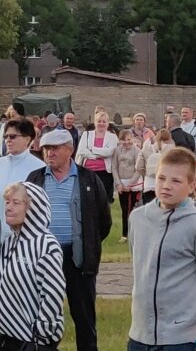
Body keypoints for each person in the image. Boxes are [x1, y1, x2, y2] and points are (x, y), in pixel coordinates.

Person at [127, 147, 196, 350]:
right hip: (140, 331)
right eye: (161, 178)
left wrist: (184, 297)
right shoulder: (138, 218)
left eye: (176, 181)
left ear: (191, 186)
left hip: (179, 337)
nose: (166, 186)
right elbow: (137, 260)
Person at [27, 129, 112, 351]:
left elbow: (103, 221)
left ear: (69, 150)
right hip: (43, 259)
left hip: (77, 257)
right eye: (46, 149)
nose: (49, 154)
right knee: (41, 316)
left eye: (54, 149)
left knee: (84, 317)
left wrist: (88, 244)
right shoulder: (35, 178)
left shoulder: (89, 178)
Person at [0, 181, 66, 350]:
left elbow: (53, 292)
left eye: (16, 203)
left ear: (33, 208)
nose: (8, 207)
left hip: (32, 340)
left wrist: (42, 335)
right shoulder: (9, 243)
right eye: (7, 202)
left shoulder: (46, 244)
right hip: (7, 337)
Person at [0, 119, 45, 243]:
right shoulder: (1, 164)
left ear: (27, 139)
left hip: (25, 238)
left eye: (13, 136)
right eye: (6, 136)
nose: (8, 140)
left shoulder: (39, 167)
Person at [76, 111, 119, 204]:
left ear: (108, 123)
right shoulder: (86, 135)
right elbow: (82, 151)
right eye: (99, 121)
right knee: (89, 198)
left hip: (105, 172)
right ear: (95, 122)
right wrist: (97, 156)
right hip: (88, 171)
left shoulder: (112, 137)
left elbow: (110, 152)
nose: (101, 123)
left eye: (104, 121)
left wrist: (92, 149)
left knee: (103, 200)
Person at [112, 130, 142, 243]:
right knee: (124, 209)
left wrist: (130, 184)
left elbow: (139, 169)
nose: (126, 142)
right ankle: (124, 234)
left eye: (129, 139)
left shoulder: (137, 151)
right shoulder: (117, 150)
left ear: (132, 139)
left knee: (132, 209)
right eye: (123, 140)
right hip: (121, 183)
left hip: (133, 184)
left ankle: (133, 233)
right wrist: (118, 183)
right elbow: (114, 167)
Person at [134, 128, 175, 205]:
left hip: (149, 184)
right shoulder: (172, 150)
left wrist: (146, 173)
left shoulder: (146, 148)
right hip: (165, 184)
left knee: (149, 211)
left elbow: (138, 167)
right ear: (169, 138)